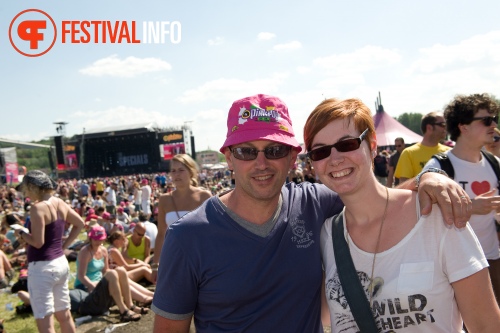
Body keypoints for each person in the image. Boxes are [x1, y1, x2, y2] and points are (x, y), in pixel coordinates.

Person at [152, 94, 470, 332]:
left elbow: (376, 196)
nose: (261, 163)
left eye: (275, 151)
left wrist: (430, 177)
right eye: (247, 151)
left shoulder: (313, 204)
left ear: (293, 158)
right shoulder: (188, 237)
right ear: (229, 159)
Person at [304, 97, 500, 332]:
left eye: (347, 145)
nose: (335, 159)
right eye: (321, 151)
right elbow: (325, 316)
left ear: (372, 145)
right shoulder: (327, 235)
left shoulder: (435, 216)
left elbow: (486, 324)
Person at [423, 93, 500, 307]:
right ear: (463, 127)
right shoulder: (439, 167)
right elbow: (423, 211)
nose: (494, 124)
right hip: (455, 267)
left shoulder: (494, 162)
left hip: (492, 260)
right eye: (486, 120)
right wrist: (470, 207)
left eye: (495, 119)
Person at [15, 170, 85, 333]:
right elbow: (80, 223)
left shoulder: (37, 208)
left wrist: (22, 234)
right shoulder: (58, 202)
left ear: (33, 187)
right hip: (59, 263)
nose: (25, 194)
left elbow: (38, 243)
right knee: (64, 315)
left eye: (26, 190)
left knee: (45, 321)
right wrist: (64, 245)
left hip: (42, 268)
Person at [152, 154, 211, 281]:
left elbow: (212, 232)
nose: (176, 174)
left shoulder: (204, 196)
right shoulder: (164, 199)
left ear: (191, 172)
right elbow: (161, 234)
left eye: (181, 170)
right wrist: (155, 265)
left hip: (200, 259)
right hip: (174, 259)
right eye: (173, 171)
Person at [75, 225, 152, 320]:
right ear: (90, 238)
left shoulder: (103, 250)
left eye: (100, 239)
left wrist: (115, 275)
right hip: (86, 287)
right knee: (114, 273)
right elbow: (81, 276)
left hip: (99, 283)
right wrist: (93, 286)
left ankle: (130, 305)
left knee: (120, 270)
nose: (98, 242)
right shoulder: (85, 252)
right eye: (95, 239)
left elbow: (105, 270)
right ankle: (123, 310)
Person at [394, 111, 450, 182]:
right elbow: (404, 186)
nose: (445, 128)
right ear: (429, 128)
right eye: (442, 124)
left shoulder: (449, 152)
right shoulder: (409, 153)